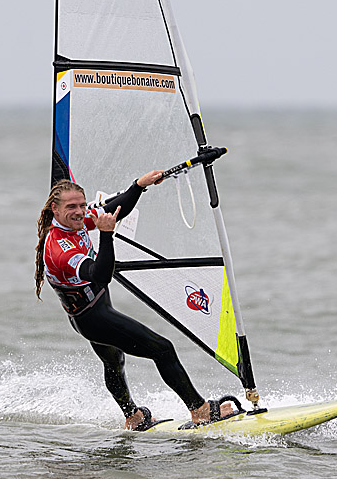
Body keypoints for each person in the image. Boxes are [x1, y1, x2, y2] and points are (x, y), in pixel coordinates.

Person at [34, 171, 239, 431]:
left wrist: (139, 186)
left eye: (82, 205)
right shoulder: (59, 250)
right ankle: (199, 409)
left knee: (113, 361)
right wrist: (106, 234)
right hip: (92, 316)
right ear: (55, 208)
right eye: (71, 207)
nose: (79, 212)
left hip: (92, 309)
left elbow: (114, 209)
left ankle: (133, 417)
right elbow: (100, 275)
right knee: (162, 349)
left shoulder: (75, 222)